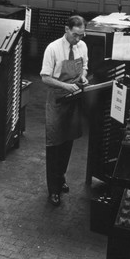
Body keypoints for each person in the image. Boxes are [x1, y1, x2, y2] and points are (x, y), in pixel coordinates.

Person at [40, 15, 88, 207]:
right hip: (57, 100)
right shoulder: (53, 48)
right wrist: (65, 86)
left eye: (81, 36)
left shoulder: (82, 46)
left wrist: (83, 77)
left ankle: (61, 178)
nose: (78, 39)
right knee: (54, 144)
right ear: (67, 29)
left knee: (68, 141)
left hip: (74, 99)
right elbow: (44, 77)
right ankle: (53, 190)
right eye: (76, 35)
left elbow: (84, 67)